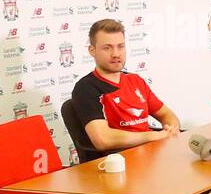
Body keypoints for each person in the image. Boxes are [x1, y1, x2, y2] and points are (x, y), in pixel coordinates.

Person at [70, 19, 180, 152]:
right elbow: (103, 139)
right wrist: (152, 136)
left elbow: (166, 114)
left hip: (152, 152)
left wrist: (171, 129)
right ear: (92, 50)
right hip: (119, 161)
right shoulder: (86, 87)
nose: (116, 54)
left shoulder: (135, 80)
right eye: (107, 48)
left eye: (120, 46)